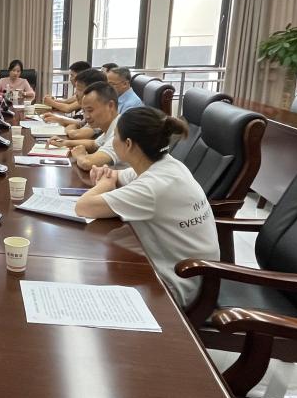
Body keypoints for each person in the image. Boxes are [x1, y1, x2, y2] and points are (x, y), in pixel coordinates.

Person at [74, 107, 219, 307]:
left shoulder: (153, 186)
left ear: (128, 144)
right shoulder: (166, 165)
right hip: (188, 272)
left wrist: (104, 184)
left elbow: (83, 207)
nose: (112, 142)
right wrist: (107, 175)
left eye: (115, 136)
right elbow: (116, 176)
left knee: (86, 285)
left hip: (176, 285)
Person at [51, 82, 124, 172]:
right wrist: (64, 142)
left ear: (110, 106)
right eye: (84, 111)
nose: (86, 116)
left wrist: (80, 156)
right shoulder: (113, 124)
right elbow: (94, 144)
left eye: (90, 110)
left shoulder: (122, 129)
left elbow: (87, 163)